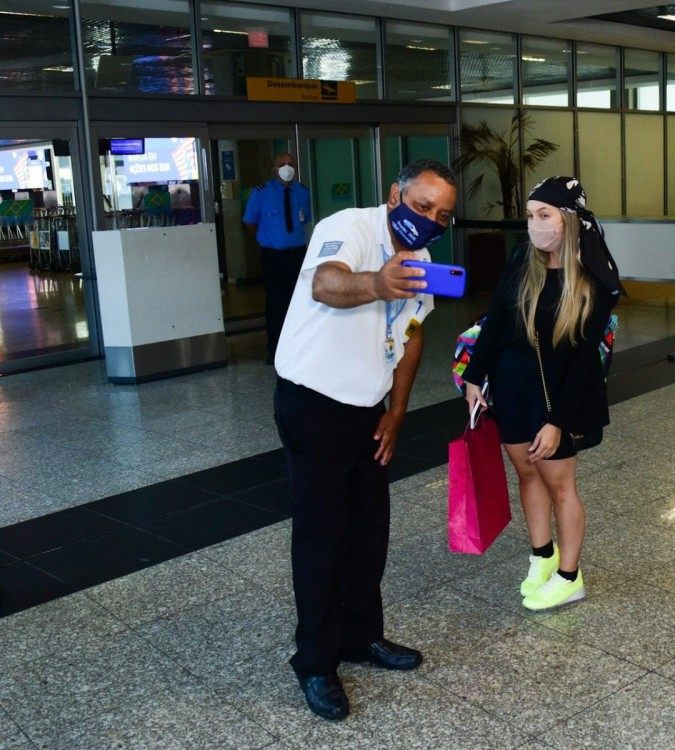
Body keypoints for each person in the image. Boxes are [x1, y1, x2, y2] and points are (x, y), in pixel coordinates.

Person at [272, 159, 456, 721]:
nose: (428, 221)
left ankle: (360, 636)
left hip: (368, 410)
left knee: (369, 531)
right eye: (421, 205)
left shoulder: (421, 260)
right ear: (395, 193)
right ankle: (315, 660)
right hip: (314, 403)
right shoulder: (348, 227)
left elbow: (413, 335)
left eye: (441, 216)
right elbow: (328, 283)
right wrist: (377, 282)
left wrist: (398, 411)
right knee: (323, 537)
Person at [461, 176, 622, 612]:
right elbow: (495, 321)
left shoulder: (591, 282)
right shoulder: (523, 262)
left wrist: (558, 422)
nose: (534, 224)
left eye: (544, 215)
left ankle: (571, 576)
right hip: (512, 390)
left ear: (568, 219)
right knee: (527, 475)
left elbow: (585, 364)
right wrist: (475, 376)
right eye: (531, 216)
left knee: (561, 485)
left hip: (558, 400)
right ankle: (543, 556)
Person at [243, 153, 312, 364]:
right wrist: (267, 239)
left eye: (291, 164)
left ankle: (299, 349)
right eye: (282, 165)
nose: (287, 168)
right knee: (276, 305)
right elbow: (250, 223)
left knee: (300, 303)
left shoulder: (302, 192)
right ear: (274, 169)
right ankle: (274, 351)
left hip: (298, 255)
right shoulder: (261, 193)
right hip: (273, 257)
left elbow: (305, 220)